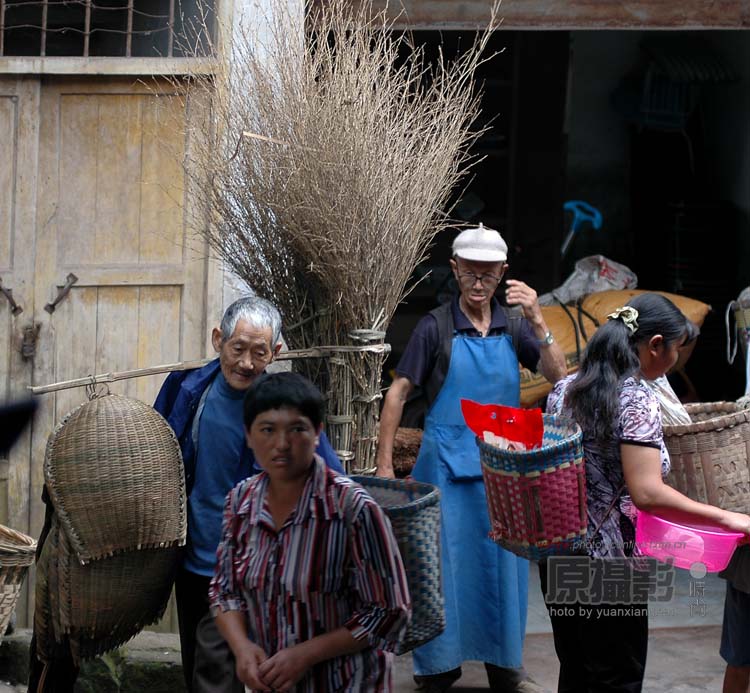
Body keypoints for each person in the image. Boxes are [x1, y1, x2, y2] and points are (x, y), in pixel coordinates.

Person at [376, 224, 567, 692]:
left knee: (505, 568)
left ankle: (506, 666)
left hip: (504, 470)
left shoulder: (517, 324)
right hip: (443, 472)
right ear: (455, 270)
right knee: (441, 568)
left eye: (488, 274)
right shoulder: (434, 327)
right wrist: (383, 466)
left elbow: (559, 377)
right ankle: (439, 669)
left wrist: (539, 321)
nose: (478, 283)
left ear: (502, 273)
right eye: (470, 273)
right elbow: (398, 394)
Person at [544, 293, 750, 693]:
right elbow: (647, 492)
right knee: (617, 678)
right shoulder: (637, 398)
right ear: (655, 345)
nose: (677, 359)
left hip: (562, 554)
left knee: (577, 673)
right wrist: (726, 517)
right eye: (678, 349)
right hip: (612, 566)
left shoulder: (565, 389)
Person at [154, 296, 345, 693]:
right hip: (196, 565)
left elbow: (333, 480)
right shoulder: (187, 391)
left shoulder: (288, 407)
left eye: (259, 352)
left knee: (232, 678)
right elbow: (158, 462)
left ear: (275, 352)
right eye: (237, 348)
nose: (245, 362)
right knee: (201, 673)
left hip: (263, 575)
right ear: (217, 340)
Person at [209, 371, 411, 691]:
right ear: (248, 435)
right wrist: (242, 647)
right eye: (267, 430)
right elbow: (224, 590)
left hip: (346, 682)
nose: (282, 445)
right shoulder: (241, 502)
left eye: (297, 429)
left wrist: (305, 655)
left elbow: (389, 612)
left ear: (317, 433)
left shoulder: (351, 509)